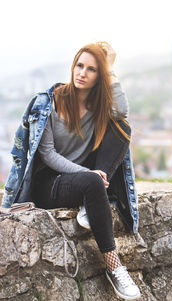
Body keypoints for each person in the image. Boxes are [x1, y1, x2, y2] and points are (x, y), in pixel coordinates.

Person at [0, 41, 140, 300]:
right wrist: (86, 174)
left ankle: (92, 200)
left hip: (84, 180)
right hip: (50, 184)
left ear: (101, 77)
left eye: (92, 69)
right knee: (92, 182)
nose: (82, 73)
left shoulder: (100, 108)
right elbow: (47, 154)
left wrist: (110, 69)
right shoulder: (49, 103)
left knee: (122, 129)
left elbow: (121, 113)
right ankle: (114, 265)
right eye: (79, 65)